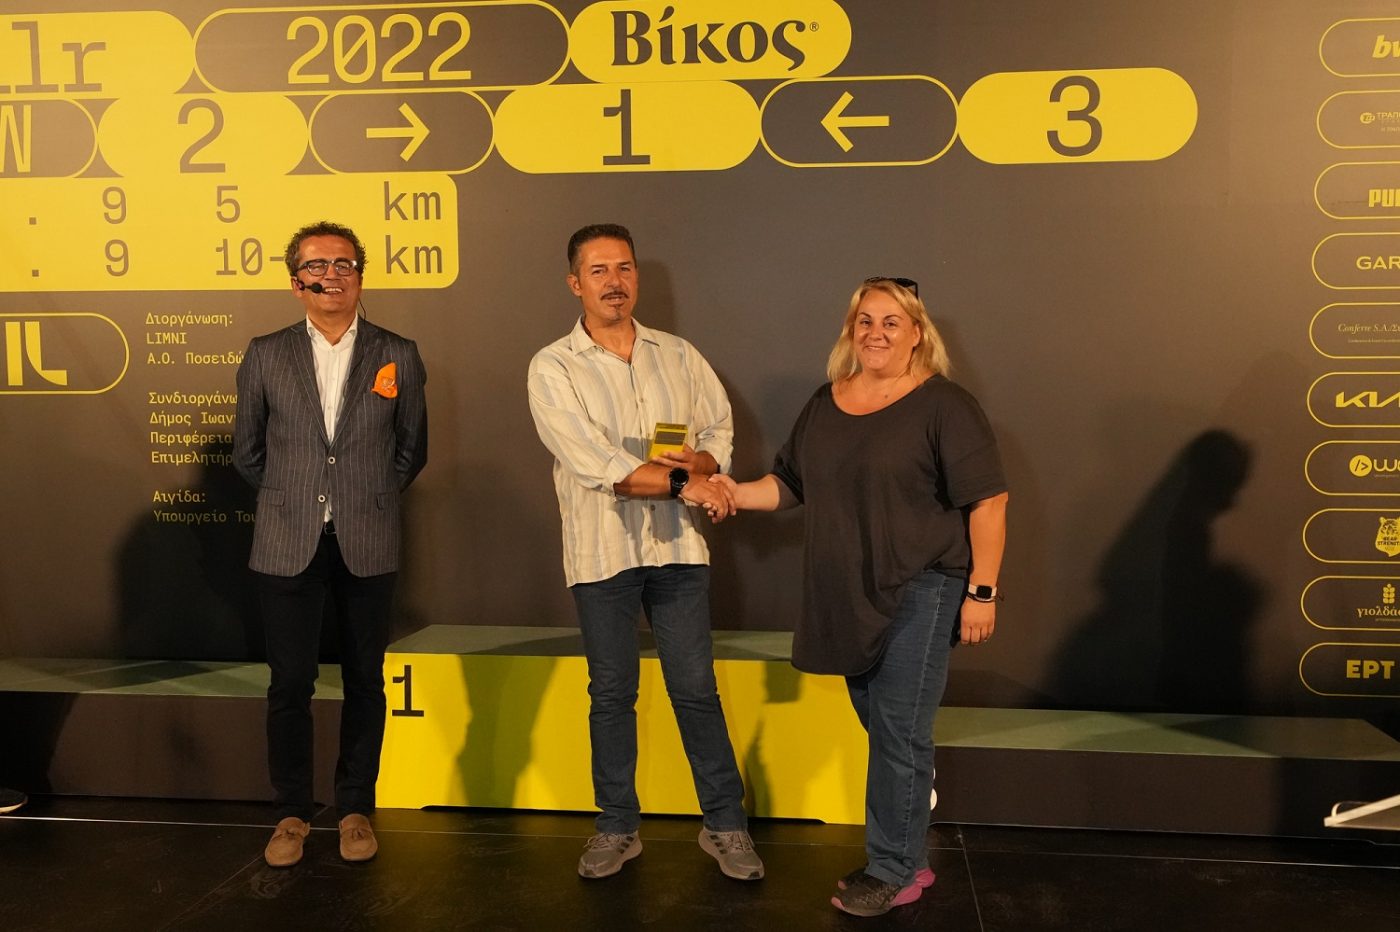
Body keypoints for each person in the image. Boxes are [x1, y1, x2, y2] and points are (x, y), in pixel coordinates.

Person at [710, 277, 1008, 917]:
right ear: (851, 330)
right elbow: (788, 485)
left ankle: (893, 870)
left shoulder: (944, 405)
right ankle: (906, 855)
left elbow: (989, 500)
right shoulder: (827, 401)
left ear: (917, 333)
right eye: (865, 321)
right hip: (847, 594)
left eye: (891, 322)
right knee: (889, 731)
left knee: (899, 734)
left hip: (924, 587)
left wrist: (982, 592)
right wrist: (732, 492)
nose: (876, 333)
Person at [526, 223, 763, 881]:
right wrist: (691, 485)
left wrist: (703, 463)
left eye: (625, 268)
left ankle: (725, 825)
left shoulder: (678, 354)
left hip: (678, 548)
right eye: (599, 270)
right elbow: (595, 463)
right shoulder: (553, 366)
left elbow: (718, 427)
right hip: (601, 551)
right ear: (575, 283)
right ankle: (616, 827)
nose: (615, 282)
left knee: (695, 688)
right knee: (611, 693)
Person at [233, 220, 428, 868]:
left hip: (367, 538)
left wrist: (362, 496)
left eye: (345, 263)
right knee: (290, 682)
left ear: (360, 277)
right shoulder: (266, 353)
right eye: (318, 265)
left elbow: (411, 450)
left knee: (365, 680)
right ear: (297, 283)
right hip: (287, 540)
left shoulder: (398, 352)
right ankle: (291, 813)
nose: (333, 274)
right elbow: (248, 452)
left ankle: (354, 809)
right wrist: (297, 495)